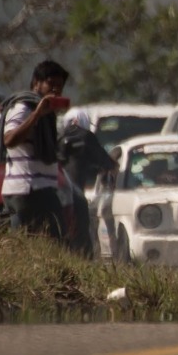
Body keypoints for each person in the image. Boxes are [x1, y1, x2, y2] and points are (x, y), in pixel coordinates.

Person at [1, 59, 70, 239]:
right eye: (50, 84)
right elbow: (9, 140)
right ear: (36, 83)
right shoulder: (23, 108)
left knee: (56, 241)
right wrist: (37, 114)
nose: (55, 90)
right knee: (36, 243)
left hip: (43, 189)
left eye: (59, 86)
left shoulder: (49, 115)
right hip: (28, 190)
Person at [57, 106, 119, 257]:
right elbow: (107, 163)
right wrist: (113, 167)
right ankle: (84, 262)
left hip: (56, 192)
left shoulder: (58, 138)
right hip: (76, 193)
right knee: (82, 235)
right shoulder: (86, 136)